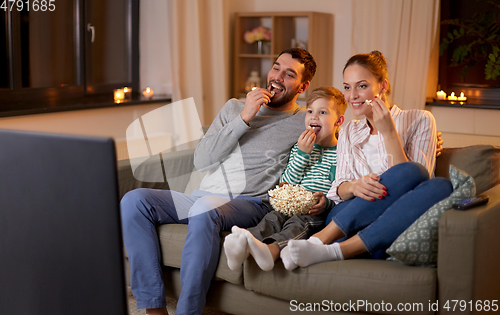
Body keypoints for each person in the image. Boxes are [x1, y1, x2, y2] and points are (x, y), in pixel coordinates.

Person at [120, 48, 316, 315]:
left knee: (204, 210)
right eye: (276, 67)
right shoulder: (235, 108)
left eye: (289, 74)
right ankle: (154, 308)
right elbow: (202, 160)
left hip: (249, 203)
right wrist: (244, 117)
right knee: (134, 200)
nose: (278, 77)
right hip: (202, 195)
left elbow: (336, 146)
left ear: (303, 86)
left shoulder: (304, 121)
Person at [286, 51, 453, 267]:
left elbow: (416, 185)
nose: (352, 95)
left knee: (438, 185)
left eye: (361, 86)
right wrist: (355, 187)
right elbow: (337, 188)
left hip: (394, 216)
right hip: (348, 216)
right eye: (347, 87)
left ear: (382, 86)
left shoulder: (420, 120)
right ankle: (322, 239)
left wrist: (389, 133)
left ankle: (335, 249)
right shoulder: (348, 131)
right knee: (415, 171)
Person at [223, 87, 347, 272]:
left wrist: (326, 204)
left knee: (297, 225)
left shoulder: (342, 155)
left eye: (322, 112)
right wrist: (302, 154)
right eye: (310, 111)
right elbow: (287, 182)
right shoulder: (300, 148)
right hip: (290, 205)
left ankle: (271, 251)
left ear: (338, 121)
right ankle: (242, 245)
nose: (314, 117)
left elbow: (341, 192)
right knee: (271, 218)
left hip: (314, 213)